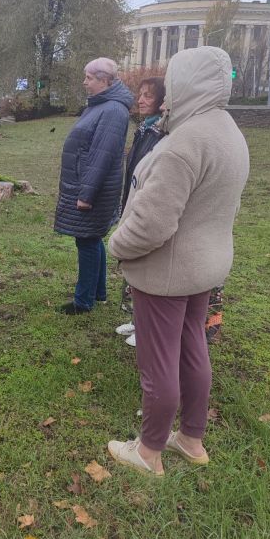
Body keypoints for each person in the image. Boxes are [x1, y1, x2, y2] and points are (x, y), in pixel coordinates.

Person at [107, 46, 249, 475]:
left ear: (187, 82)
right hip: (205, 265)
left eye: (173, 80)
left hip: (166, 272)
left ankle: (148, 452)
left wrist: (116, 245)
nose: (166, 92)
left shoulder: (183, 144)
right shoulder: (228, 131)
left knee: (158, 362)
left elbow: (151, 224)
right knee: (192, 349)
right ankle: (190, 438)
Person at [54, 57, 134, 314]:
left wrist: (86, 195)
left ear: (105, 80)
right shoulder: (102, 106)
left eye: (89, 77)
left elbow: (102, 156)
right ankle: (98, 293)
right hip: (86, 184)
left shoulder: (112, 110)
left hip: (92, 189)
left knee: (86, 241)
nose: (84, 82)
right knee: (91, 238)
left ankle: (83, 301)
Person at [115, 77, 166, 346]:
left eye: (148, 95)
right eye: (140, 94)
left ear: (162, 101)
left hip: (145, 207)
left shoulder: (161, 132)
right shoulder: (143, 129)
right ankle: (135, 319)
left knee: (145, 268)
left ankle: (145, 328)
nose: (141, 99)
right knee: (132, 267)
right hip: (131, 202)